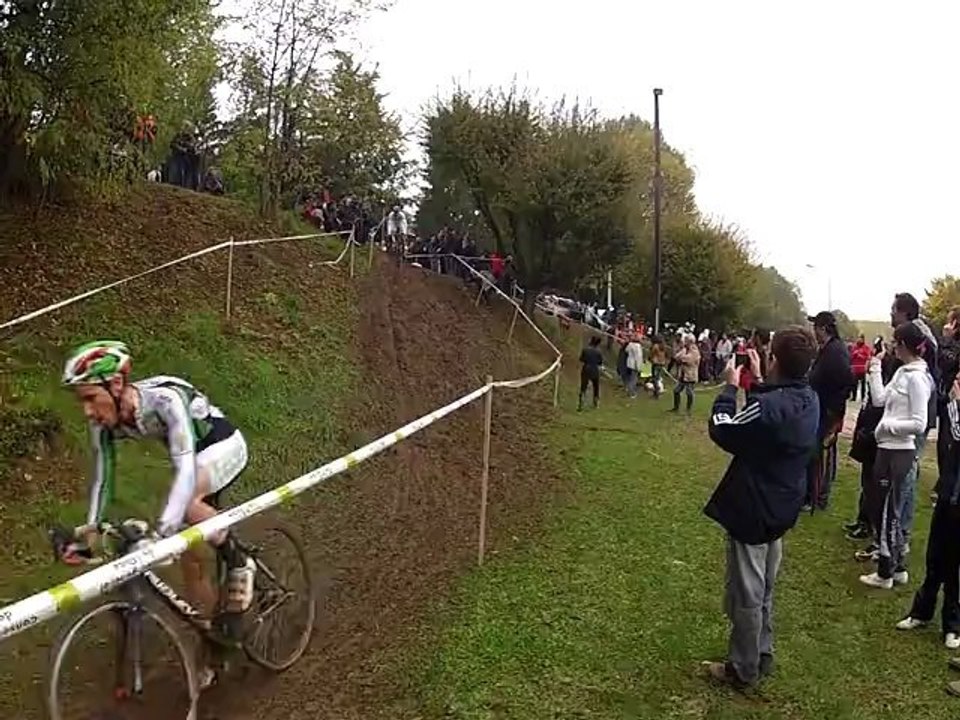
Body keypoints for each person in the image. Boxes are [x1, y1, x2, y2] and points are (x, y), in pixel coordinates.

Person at [58, 341, 255, 645]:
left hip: (223, 446)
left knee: (187, 505)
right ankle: (214, 640)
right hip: (194, 462)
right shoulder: (104, 424)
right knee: (192, 562)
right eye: (81, 402)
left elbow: (186, 469)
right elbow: (102, 479)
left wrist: (161, 535)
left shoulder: (165, 400)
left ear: (117, 384)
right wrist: (91, 528)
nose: (87, 411)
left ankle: (239, 562)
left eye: (91, 398)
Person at [702, 326, 819, 689]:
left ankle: (743, 668)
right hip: (782, 506)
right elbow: (769, 418)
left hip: (755, 509)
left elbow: (726, 429)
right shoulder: (808, 397)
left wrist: (730, 389)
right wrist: (761, 381)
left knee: (747, 594)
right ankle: (762, 652)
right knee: (765, 587)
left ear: (775, 359)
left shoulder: (770, 408)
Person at [859, 322, 934, 590]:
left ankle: (885, 572)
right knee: (884, 507)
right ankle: (898, 566)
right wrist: (875, 368)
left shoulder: (917, 379)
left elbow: (919, 422)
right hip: (887, 449)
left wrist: (888, 427)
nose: (891, 345)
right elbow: (879, 400)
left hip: (899, 451)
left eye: (894, 342)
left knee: (890, 510)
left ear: (903, 345)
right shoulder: (903, 372)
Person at [897, 374, 960, 654]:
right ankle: (921, 612)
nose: (956, 383)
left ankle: (953, 625)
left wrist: (956, 404)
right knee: (935, 556)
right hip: (950, 493)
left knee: (956, 565)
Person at [805, 312, 855, 511]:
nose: (813, 332)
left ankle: (818, 497)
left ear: (823, 329)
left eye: (815, 327)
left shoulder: (835, 351)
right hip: (822, 409)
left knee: (822, 454)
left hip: (828, 412)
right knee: (816, 453)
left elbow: (846, 380)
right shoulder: (827, 349)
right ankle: (813, 494)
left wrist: (833, 408)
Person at [671, 334, 701, 414]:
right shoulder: (684, 349)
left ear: (690, 341)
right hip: (683, 374)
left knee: (689, 392)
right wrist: (681, 359)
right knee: (676, 391)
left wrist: (681, 359)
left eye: (686, 340)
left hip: (690, 375)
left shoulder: (695, 350)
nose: (684, 341)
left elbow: (689, 360)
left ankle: (688, 409)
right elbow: (676, 357)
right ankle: (676, 408)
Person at [578, 336, 604, 410]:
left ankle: (581, 402)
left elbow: (581, 359)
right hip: (595, 369)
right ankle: (596, 403)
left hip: (586, 368)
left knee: (583, 386)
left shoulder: (585, 350)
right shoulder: (598, 352)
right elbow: (600, 362)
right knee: (596, 386)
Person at [850, 334, 873, 402]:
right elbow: (851, 356)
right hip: (855, 369)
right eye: (858, 338)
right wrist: (855, 354)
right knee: (854, 384)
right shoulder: (854, 347)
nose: (859, 340)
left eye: (860, 338)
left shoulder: (866, 348)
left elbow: (868, 357)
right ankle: (853, 397)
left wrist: (861, 356)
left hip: (862, 369)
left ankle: (863, 397)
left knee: (863, 384)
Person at [624, 333, 644, 399]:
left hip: (629, 363)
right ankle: (632, 393)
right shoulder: (638, 346)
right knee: (634, 379)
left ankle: (628, 390)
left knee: (630, 378)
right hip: (635, 365)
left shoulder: (630, 344)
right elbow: (638, 357)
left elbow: (626, 350)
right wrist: (638, 367)